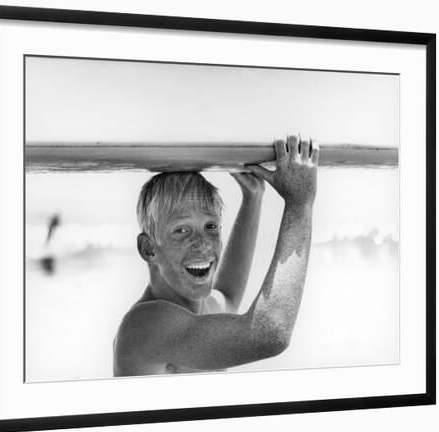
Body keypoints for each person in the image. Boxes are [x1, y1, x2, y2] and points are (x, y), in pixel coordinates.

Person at [113, 135, 319, 376]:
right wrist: (300, 203)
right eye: (181, 230)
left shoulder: (201, 308)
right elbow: (270, 334)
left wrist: (253, 198)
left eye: (211, 226)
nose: (202, 244)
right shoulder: (146, 325)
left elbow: (228, 296)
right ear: (149, 249)